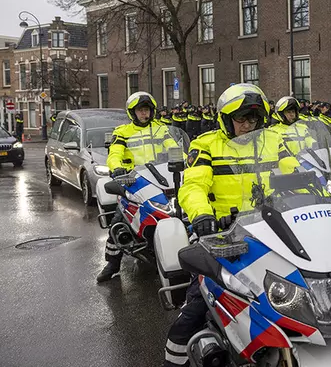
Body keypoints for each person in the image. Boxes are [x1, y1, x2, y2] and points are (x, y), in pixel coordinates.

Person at [162, 83, 297, 367]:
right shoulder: (206, 144)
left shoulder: (274, 141)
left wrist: (323, 196)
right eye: (240, 119)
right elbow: (193, 186)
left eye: (253, 118)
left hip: (272, 233)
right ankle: (174, 361)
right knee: (194, 310)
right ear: (226, 119)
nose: (247, 125)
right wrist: (202, 216)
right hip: (222, 237)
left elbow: (297, 174)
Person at [97, 92, 178, 283]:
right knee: (119, 220)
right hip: (134, 179)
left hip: (161, 176)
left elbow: (173, 147)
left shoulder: (161, 129)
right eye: (141, 110)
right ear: (132, 112)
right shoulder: (122, 132)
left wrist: (181, 159)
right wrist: (116, 168)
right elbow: (114, 153)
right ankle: (112, 262)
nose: (145, 114)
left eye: (147, 110)